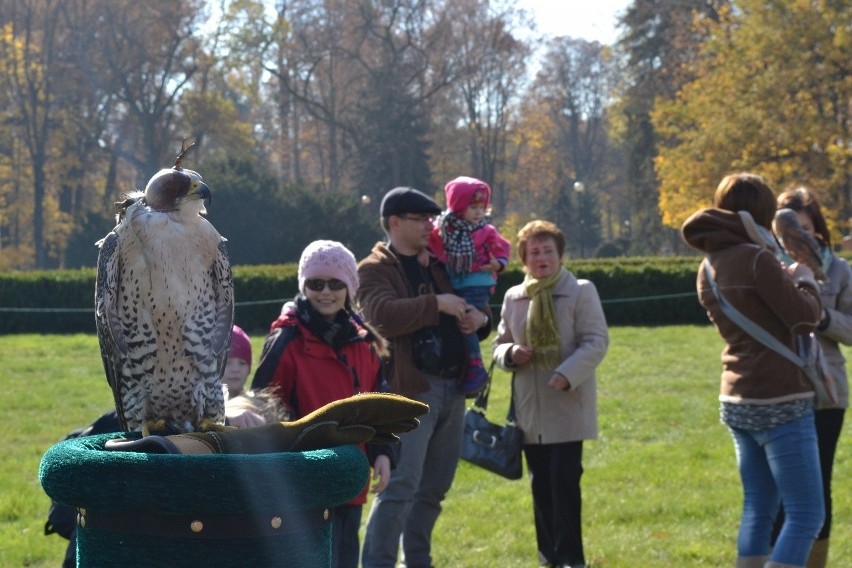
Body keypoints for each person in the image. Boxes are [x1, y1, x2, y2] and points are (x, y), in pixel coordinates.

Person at [680, 173, 825, 568]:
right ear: (762, 213)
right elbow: (803, 318)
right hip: (779, 394)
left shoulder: (707, 266)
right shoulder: (758, 258)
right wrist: (806, 282)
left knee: (758, 509)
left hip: (736, 394)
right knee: (807, 513)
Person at [357, 186, 492, 568]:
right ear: (394, 223)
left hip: (455, 388)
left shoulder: (438, 263)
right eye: (420, 220)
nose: (429, 226)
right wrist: (437, 304)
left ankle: (417, 561)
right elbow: (381, 315)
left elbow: (472, 297)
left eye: (431, 219)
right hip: (410, 392)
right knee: (400, 488)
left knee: (434, 490)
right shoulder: (373, 269)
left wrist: (480, 320)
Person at [249, 239, 395, 568]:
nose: (325, 292)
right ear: (304, 286)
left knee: (344, 557)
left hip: (350, 477)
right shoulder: (287, 340)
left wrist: (384, 453)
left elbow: (379, 405)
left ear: (349, 287)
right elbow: (263, 405)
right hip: (302, 480)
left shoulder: (365, 342)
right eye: (315, 283)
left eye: (335, 283)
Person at [492, 220, 609, 568]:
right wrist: (511, 354)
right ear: (524, 259)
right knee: (540, 485)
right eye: (534, 252)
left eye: (548, 251)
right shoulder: (515, 297)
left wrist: (567, 372)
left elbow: (596, 341)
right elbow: (498, 346)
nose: (541, 258)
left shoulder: (581, 290)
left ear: (559, 255)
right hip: (530, 409)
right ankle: (548, 558)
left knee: (565, 483)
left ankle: (572, 558)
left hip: (567, 403)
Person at [772, 186, 850, 567]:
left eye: (805, 228)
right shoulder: (768, 267)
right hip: (782, 388)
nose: (797, 238)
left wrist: (822, 318)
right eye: (789, 231)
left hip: (826, 392)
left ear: (817, 229)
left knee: (818, 486)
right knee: (778, 489)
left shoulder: (839, 270)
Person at [428, 176, 511, 395]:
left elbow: (502, 247)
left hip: (477, 281)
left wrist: (499, 263)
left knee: (466, 320)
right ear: (457, 206)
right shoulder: (445, 228)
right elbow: (433, 243)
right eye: (472, 207)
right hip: (455, 281)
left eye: (481, 208)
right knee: (457, 318)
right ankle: (466, 363)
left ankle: (475, 365)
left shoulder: (485, 230)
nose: (478, 213)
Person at [224, 325, 289, 427]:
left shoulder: (262, 406)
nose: (235, 369)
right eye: (227, 363)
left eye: (242, 363)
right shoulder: (203, 408)